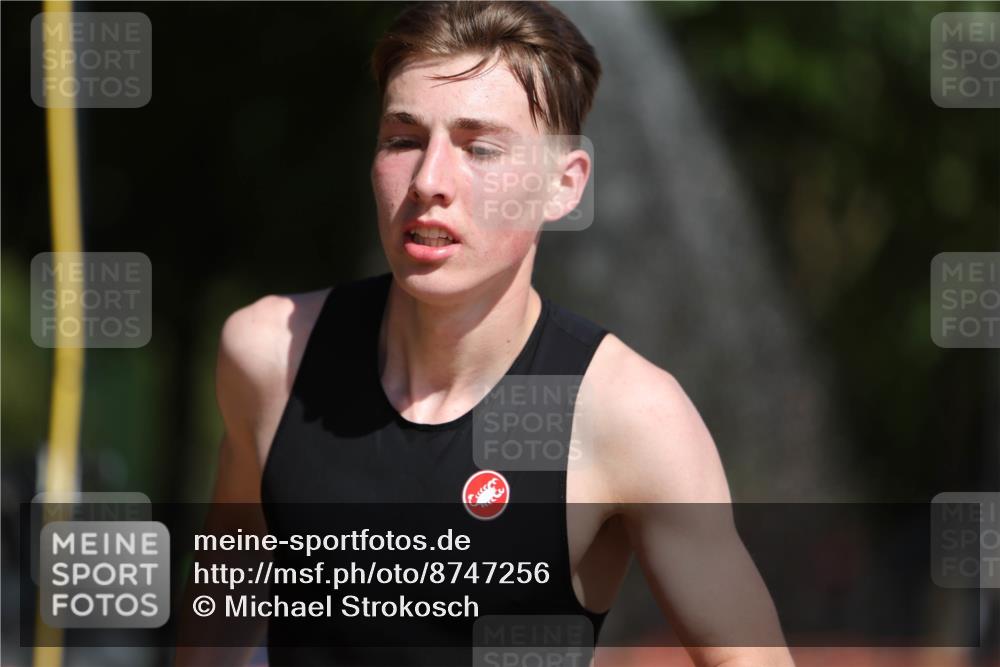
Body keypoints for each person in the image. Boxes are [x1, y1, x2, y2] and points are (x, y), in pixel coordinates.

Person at [178, 2, 796, 666]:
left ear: (564, 186)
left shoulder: (627, 417)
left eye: (480, 147)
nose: (429, 182)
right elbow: (225, 602)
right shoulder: (272, 356)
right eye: (403, 139)